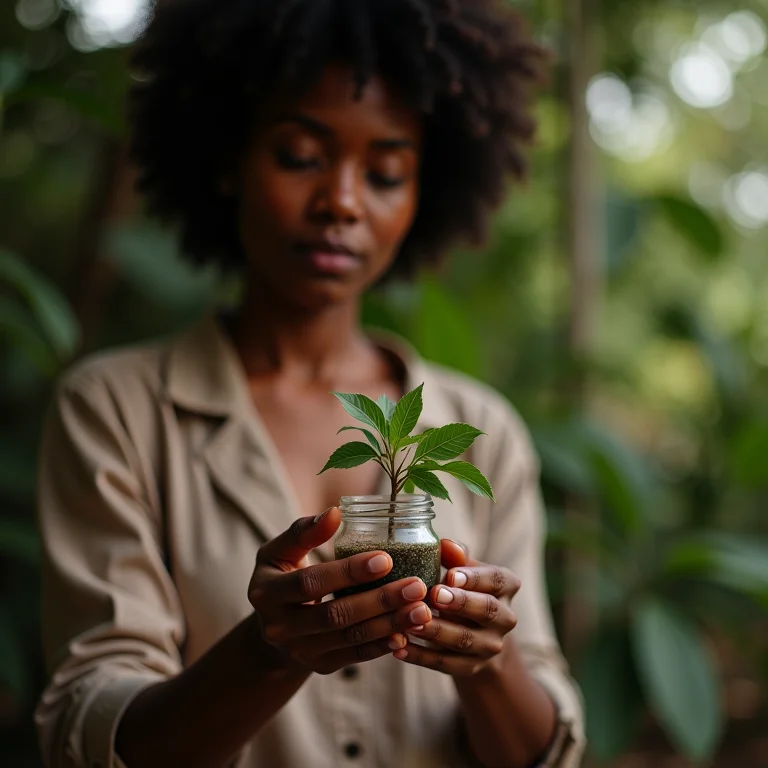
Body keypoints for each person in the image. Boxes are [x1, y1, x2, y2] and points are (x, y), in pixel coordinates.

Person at [35, 1, 585, 766]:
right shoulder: (117, 411)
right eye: (299, 156)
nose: (342, 202)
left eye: (386, 173)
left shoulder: (481, 429)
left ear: (424, 193)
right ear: (226, 161)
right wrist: (269, 652)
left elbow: (546, 745)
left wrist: (487, 663)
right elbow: (89, 731)